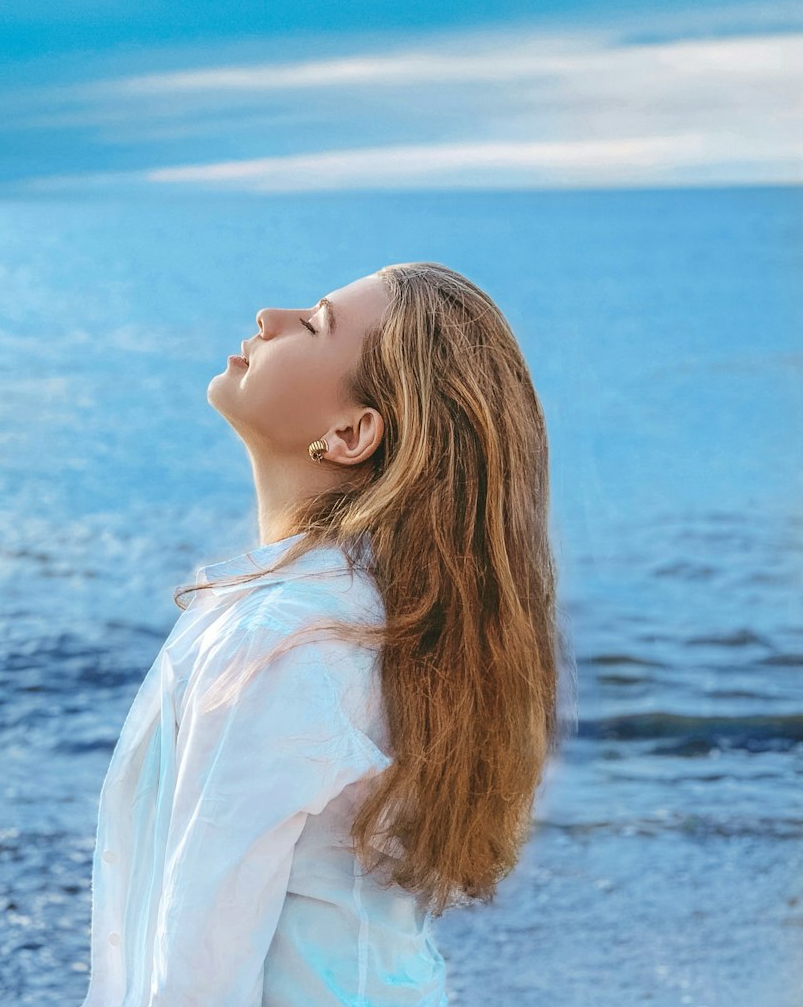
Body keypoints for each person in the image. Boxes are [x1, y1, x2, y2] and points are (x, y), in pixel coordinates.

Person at [81, 261, 565, 1007]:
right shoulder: (376, 621)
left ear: (350, 432)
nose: (269, 314)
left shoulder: (283, 643)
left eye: (312, 324)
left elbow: (200, 961)